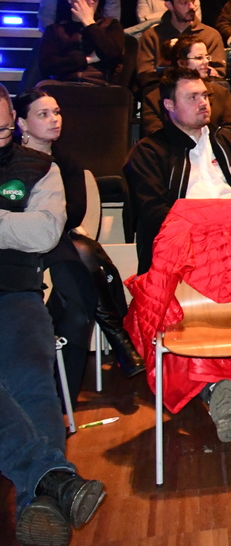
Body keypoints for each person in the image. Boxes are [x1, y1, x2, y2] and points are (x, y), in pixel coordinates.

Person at [0, 86, 108, 546]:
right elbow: (24, 228)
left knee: (33, 373)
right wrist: (9, 224)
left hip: (15, 291)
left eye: (3, 128)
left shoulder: (40, 167)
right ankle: (52, 480)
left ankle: (37, 501)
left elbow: (44, 232)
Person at [15, 90, 144, 400]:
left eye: (56, 112)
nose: (54, 119)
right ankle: (120, 338)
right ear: (21, 122)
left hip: (59, 245)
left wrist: (44, 218)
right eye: (43, 114)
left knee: (77, 308)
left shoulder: (67, 161)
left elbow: (73, 212)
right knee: (84, 251)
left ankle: (63, 399)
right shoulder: (10, 162)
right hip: (20, 249)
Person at [125, 68, 231, 273]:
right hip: (184, 252)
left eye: (205, 95)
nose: (203, 102)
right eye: (192, 97)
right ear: (169, 105)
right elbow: (155, 214)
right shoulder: (149, 152)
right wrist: (208, 230)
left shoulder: (226, 139)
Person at [140, 35, 231, 136]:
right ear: (182, 63)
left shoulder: (221, 93)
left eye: (207, 57)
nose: (206, 62)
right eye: (199, 58)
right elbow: (154, 134)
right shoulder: (154, 98)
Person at [39, 0, 126, 85]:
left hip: (100, 86)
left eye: (95, 0)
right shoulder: (56, 29)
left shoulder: (111, 25)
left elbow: (114, 56)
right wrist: (86, 60)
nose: (90, 3)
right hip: (64, 86)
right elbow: (47, 66)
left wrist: (89, 23)